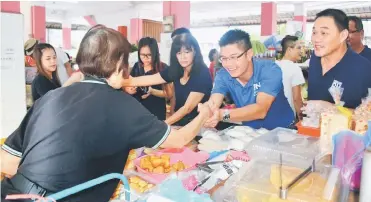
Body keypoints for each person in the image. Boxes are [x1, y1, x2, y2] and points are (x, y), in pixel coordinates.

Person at [1, 26, 212, 202]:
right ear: (120, 64)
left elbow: (6, 162)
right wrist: (204, 113)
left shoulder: (51, 97)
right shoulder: (122, 104)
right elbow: (179, 140)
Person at [204, 29, 295, 130]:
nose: (228, 64)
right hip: (252, 132)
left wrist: (221, 115)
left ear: (249, 54)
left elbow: (261, 110)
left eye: (234, 57)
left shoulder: (270, 70)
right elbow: (213, 103)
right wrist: (207, 109)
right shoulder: (223, 75)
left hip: (283, 131)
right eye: (224, 58)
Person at [308, 9, 371, 109]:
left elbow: (367, 115)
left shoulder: (363, 68)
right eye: (314, 32)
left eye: (324, 33)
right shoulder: (315, 58)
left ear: (343, 35)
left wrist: (331, 108)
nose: (316, 39)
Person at [129, 37, 173, 120]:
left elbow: (169, 94)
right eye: (142, 55)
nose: (145, 58)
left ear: (155, 53)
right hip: (138, 112)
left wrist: (152, 91)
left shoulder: (164, 68)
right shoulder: (136, 66)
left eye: (149, 55)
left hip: (156, 113)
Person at [276, 35, 305, 119]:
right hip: (287, 117)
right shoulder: (295, 68)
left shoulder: (274, 65)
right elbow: (296, 99)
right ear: (289, 49)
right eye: (298, 48)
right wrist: (301, 119)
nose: (301, 51)